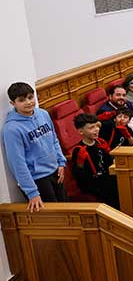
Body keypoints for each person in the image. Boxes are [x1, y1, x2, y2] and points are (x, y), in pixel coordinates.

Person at [3, 82, 67, 211]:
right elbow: (17, 163)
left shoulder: (43, 114)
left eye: (30, 97)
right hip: (38, 180)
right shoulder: (11, 129)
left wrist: (60, 162)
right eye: (22, 100)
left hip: (55, 171)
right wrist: (32, 192)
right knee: (54, 218)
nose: (28, 102)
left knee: (67, 208)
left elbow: (54, 139)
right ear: (12, 103)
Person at [71, 113, 119, 208]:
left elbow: (108, 164)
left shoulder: (99, 142)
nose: (96, 129)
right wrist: (80, 165)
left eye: (97, 126)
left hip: (107, 177)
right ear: (81, 131)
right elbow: (80, 179)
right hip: (94, 185)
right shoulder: (79, 150)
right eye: (91, 127)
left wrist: (108, 153)